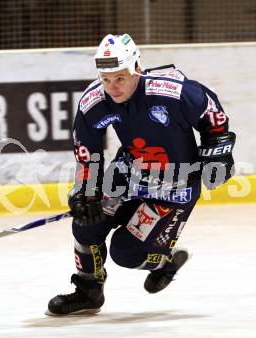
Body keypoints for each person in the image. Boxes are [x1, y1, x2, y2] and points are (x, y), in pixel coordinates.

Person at [46, 34, 236, 316]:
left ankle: (167, 262)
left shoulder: (172, 91)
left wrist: (218, 151)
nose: (112, 87)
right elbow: (87, 151)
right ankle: (88, 291)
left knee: (126, 253)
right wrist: (86, 192)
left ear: (137, 67)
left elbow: (213, 117)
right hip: (130, 173)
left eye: (120, 78)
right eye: (106, 78)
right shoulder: (94, 102)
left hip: (176, 184)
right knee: (86, 225)